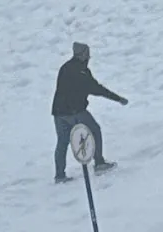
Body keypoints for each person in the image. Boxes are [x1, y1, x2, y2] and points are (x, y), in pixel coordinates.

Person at [54, 42, 130, 183]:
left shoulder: (65, 68)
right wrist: (118, 98)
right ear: (82, 55)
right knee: (94, 130)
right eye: (87, 54)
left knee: (62, 142)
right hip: (75, 112)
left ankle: (59, 175)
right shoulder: (81, 72)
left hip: (59, 113)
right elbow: (97, 89)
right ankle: (99, 163)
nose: (89, 57)